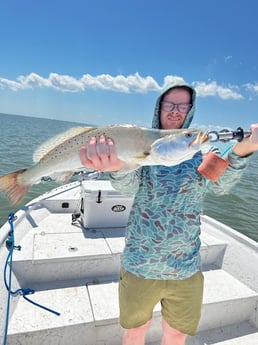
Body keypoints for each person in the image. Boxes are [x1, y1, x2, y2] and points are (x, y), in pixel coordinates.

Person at [79, 84, 258, 345]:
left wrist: (245, 149)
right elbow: (128, 186)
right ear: (159, 108)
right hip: (140, 265)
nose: (176, 111)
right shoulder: (142, 149)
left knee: (175, 335)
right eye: (170, 105)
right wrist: (117, 168)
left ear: (190, 110)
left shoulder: (204, 153)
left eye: (182, 105)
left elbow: (221, 185)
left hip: (185, 268)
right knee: (134, 334)